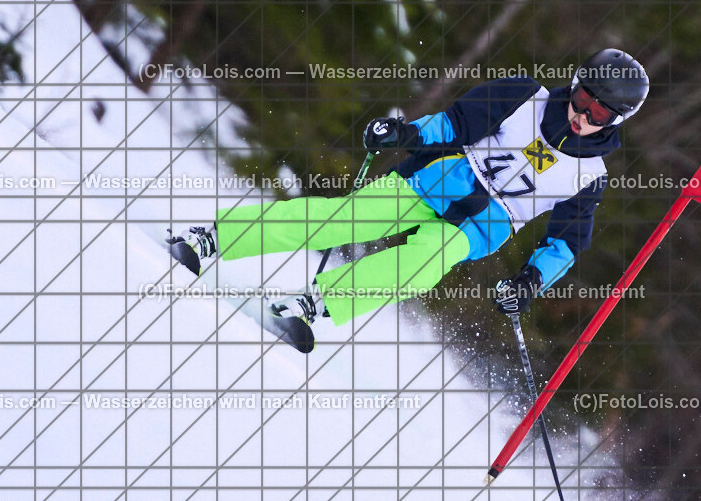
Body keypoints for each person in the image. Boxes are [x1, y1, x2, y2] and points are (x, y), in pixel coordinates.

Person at [169, 48, 648, 331]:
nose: (582, 116)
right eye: (584, 98)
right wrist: (406, 134)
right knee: (338, 221)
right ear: (575, 83)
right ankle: (212, 238)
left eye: (599, 114)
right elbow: (457, 122)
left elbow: (564, 241)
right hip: (436, 180)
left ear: (618, 120)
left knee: (422, 265)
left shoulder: (590, 177)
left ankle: (315, 304)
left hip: (480, 226)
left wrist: (530, 281)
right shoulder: (525, 96)